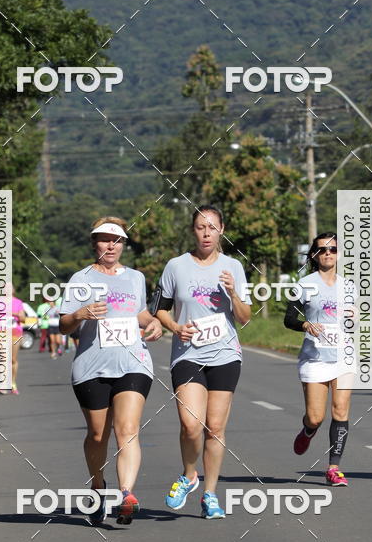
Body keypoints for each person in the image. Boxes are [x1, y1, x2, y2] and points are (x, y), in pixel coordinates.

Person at [59, 217, 162, 525]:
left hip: (133, 362)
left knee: (127, 429)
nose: (110, 245)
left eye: (116, 240)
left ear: (123, 245)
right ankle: (98, 486)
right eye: (104, 239)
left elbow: (140, 312)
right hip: (92, 365)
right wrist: (80, 313)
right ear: (94, 244)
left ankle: (126, 494)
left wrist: (153, 322)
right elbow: (64, 325)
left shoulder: (135, 278)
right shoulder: (80, 279)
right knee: (97, 434)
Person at [153, 205, 251, 519]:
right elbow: (160, 308)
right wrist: (176, 327)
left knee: (216, 428)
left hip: (225, 354)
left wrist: (234, 293)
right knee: (190, 424)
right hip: (188, 353)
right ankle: (189, 474)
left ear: (221, 229)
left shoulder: (233, 267)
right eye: (200, 227)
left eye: (211, 227)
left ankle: (210, 494)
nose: (206, 233)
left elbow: (245, 318)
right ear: (193, 231)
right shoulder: (176, 266)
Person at [283, 233, 357, 487]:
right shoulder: (305, 284)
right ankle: (308, 430)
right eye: (322, 249)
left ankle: (334, 468)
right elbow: (289, 318)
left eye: (333, 249)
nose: (328, 253)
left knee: (340, 410)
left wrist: (355, 318)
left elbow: (356, 320)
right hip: (315, 358)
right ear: (314, 254)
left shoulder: (349, 286)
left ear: (338, 254)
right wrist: (305, 324)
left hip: (344, 356)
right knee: (316, 417)